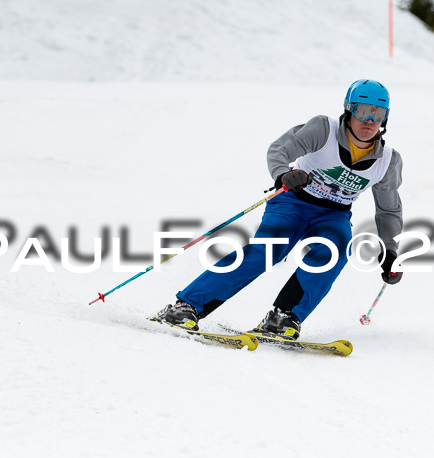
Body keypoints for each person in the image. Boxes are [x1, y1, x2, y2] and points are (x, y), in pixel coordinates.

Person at [156, 79, 404, 339]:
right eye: (363, 111)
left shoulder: (388, 161)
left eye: (378, 114)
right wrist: (283, 174)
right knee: (267, 250)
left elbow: (389, 210)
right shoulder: (324, 130)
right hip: (294, 201)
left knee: (336, 250)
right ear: (349, 110)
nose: (370, 121)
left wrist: (390, 250)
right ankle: (185, 307)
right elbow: (279, 149)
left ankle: (284, 317)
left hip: (334, 213)